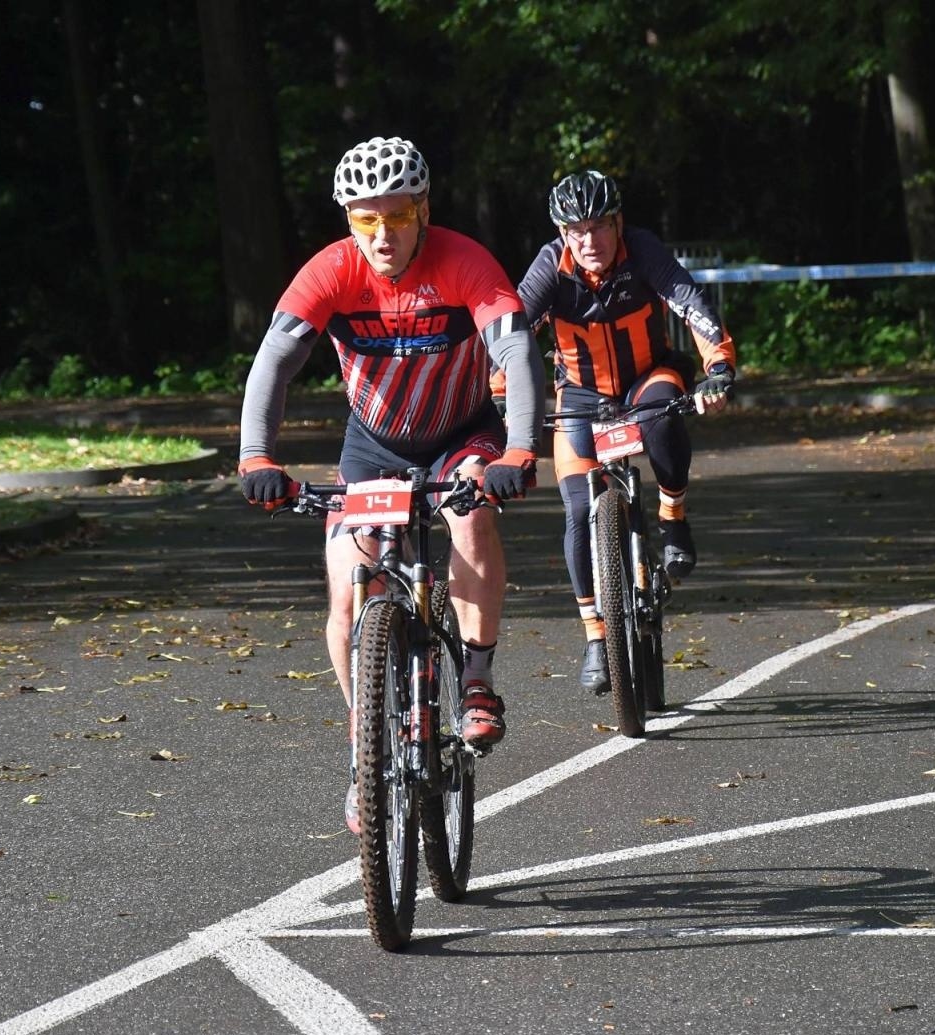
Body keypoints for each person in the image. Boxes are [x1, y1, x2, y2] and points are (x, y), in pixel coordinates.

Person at [238, 136, 544, 832]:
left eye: (396, 216)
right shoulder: (331, 271)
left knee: (471, 515)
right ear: (348, 219)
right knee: (349, 587)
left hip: (460, 434)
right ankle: (363, 748)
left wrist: (520, 449)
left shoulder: (465, 262)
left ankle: (476, 678)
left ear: (422, 210)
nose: (381, 234)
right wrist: (257, 459)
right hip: (372, 446)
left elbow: (516, 351)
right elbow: (274, 363)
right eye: (364, 219)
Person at [517, 169, 736, 696]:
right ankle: (596, 635)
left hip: (647, 378)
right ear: (562, 234)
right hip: (581, 396)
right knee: (575, 509)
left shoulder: (642, 251)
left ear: (618, 223)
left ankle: (673, 517)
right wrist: (498, 392)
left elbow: (689, 301)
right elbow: (512, 328)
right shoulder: (552, 266)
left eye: (598, 227)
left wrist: (719, 366)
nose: (588, 241)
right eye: (575, 231)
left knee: (664, 409)